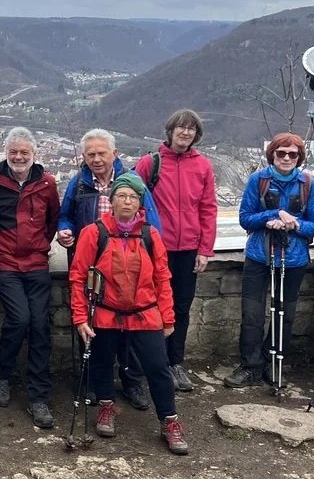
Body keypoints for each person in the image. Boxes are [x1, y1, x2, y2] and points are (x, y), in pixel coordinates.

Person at [70, 173, 189, 455]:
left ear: (140, 204)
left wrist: (168, 318)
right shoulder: (93, 233)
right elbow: (77, 278)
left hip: (145, 313)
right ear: (111, 201)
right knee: (101, 362)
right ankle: (106, 406)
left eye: (133, 197)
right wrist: (80, 318)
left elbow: (163, 278)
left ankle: (169, 422)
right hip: (105, 313)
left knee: (158, 368)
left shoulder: (150, 234)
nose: (127, 201)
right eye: (121, 196)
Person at [58, 129, 162, 410]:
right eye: (90, 154)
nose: (96, 159)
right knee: (91, 326)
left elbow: (151, 224)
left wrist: (152, 261)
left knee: (131, 331)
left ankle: (132, 383)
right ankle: (93, 382)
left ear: (114, 154)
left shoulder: (132, 182)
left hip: (130, 267)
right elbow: (65, 215)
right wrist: (65, 230)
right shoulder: (78, 183)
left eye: (101, 153)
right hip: (93, 266)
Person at [0, 127, 60, 429]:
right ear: (5, 152)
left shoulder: (47, 184)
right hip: (6, 263)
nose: (18, 157)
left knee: (40, 326)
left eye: (24, 152)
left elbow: (52, 222)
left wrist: (40, 246)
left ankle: (39, 396)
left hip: (36, 263)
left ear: (34, 154)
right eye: (13, 152)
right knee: (19, 319)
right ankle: (1, 374)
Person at [225, 133, 314, 388]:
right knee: (252, 313)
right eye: (281, 153)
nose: (287, 158)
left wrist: (293, 224)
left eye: (293, 154)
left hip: (293, 259)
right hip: (259, 256)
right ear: (272, 154)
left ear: (299, 157)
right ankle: (251, 365)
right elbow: (246, 218)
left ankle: (273, 362)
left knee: (285, 314)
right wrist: (273, 213)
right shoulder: (258, 180)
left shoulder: (307, 184)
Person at [134, 110, 218, 392]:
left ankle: (174, 363)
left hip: (188, 249)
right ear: (170, 131)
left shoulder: (203, 166)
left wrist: (204, 249)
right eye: (181, 128)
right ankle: (150, 363)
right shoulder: (150, 163)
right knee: (150, 305)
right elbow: (134, 200)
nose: (186, 133)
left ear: (197, 135)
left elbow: (208, 209)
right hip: (156, 248)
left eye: (192, 129)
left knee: (181, 307)